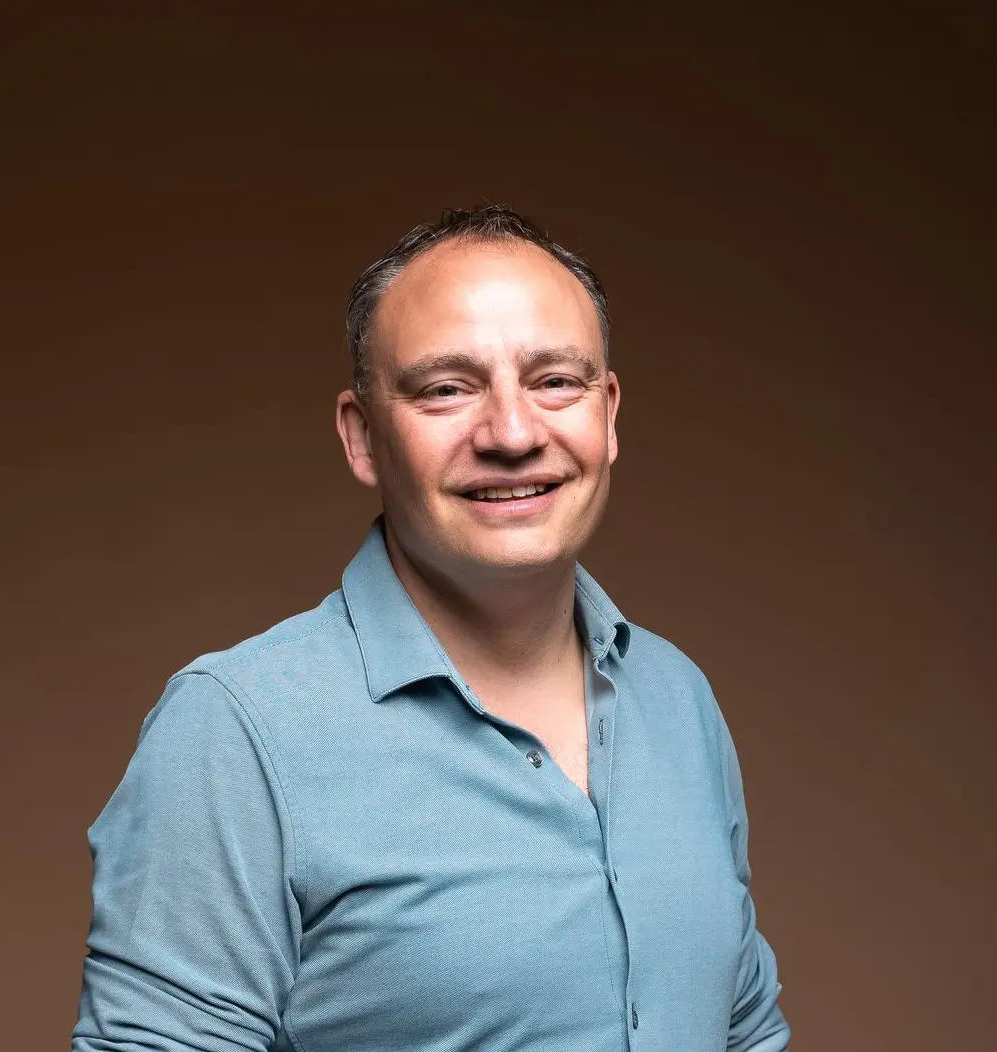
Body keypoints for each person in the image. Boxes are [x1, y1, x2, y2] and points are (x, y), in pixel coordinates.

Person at [72, 205, 790, 1051]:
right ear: (362, 437)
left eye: (555, 381)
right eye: (446, 389)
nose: (512, 434)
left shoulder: (678, 699)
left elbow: (744, 1029)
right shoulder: (234, 732)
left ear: (608, 414)